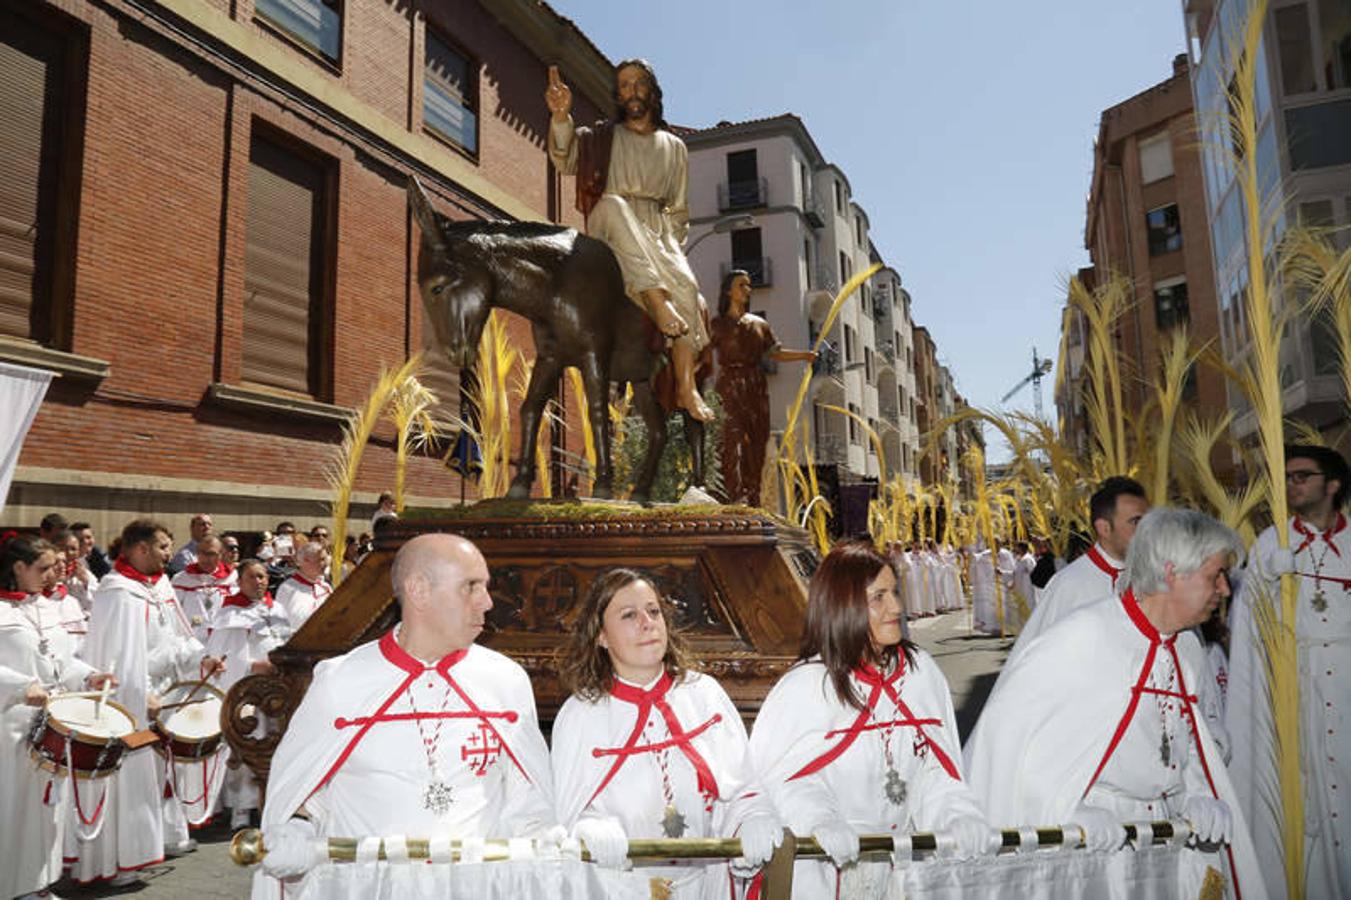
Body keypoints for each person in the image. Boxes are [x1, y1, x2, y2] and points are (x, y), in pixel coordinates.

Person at [963, 508, 1263, 899]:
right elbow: (1008, 743)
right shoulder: (1082, 637)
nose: (1224, 589)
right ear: (1172, 572)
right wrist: (1063, 808)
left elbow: (1185, 739)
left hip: (1165, 840)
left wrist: (1197, 792)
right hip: (1093, 850)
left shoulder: (1187, 646)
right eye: (1215, 575)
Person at [255, 533, 556, 897]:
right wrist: (297, 830)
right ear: (419, 590)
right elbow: (305, 793)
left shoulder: (505, 680)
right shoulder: (340, 681)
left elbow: (528, 796)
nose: (488, 602)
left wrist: (540, 838)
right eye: (471, 586)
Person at [750, 540, 993, 898]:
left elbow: (934, 772)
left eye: (894, 592)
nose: (896, 607)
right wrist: (818, 818)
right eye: (878, 597)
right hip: (829, 875)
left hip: (904, 873)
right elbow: (782, 781)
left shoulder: (921, 673)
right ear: (843, 605)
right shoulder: (806, 686)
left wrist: (956, 813)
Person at [551, 568, 781, 896]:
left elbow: (741, 789)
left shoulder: (704, 695)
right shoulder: (580, 715)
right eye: (629, 615)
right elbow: (567, 812)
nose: (647, 623)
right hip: (618, 888)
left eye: (654, 611)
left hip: (706, 886)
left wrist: (753, 818)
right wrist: (586, 827)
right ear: (600, 636)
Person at [545, 59, 714, 422]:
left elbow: (679, 209)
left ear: (652, 91)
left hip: (657, 233)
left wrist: (670, 247)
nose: (632, 91)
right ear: (618, 95)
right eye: (624, 85)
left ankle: (686, 386)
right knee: (614, 204)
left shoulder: (674, 146)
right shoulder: (603, 137)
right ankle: (656, 301)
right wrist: (560, 116)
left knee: (688, 288)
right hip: (609, 227)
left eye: (639, 83)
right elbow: (565, 159)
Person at [69, 519, 226, 885]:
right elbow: (116, 657)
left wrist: (201, 659)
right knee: (130, 778)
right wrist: (140, 695)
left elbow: (177, 635)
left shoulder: (160, 585)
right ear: (141, 549)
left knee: (161, 774)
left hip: (164, 692)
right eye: (163, 547)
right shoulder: (118, 591)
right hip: (133, 698)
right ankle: (120, 860)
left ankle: (161, 838)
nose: (169, 554)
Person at [1228, 445, 1351, 899]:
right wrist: (1263, 580)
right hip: (1297, 693)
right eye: (1287, 478)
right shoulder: (1270, 543)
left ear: (1332, 484)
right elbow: (1246, 623)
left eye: (1302, 476)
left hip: (1348, 687)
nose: (1292, 484)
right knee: (1305, 799)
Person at [1, 535, 116, 900]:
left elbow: (62, 662)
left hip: (51, 721)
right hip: (9, 724)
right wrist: (21, 686)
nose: (53, 574)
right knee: (13, 808)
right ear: (18, 567)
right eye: (44, 568)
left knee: (48, 810)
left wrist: (89, 676)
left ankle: (37, 884)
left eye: (54, 566)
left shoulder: (48, 608)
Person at [708, 270, 816, 505]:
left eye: (748, 285)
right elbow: (702, 353)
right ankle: (731, 494)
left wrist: (803, 355)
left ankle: (753, 495)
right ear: (728, 291)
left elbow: (775, 352)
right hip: (728, 385)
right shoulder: (717, 324)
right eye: (741, 285)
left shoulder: (760, 324)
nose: (748, 289)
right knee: (729, 440)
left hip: (756, 385)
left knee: (757, 441)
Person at [1012, 476, 1149, 648]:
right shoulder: (1068, 585)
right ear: (1104, 528)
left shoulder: (1155, 578)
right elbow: (1035, 653)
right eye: (1136, 522)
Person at [207, 559, 291, 829]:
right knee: (247, 748)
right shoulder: (230, 613)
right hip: (247, 691)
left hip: (277, 692)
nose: (259, 582)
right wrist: (253, 666)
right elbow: (221, 657)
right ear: (240, 581)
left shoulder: (277, 609)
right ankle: (241, 809)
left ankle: (268, 805)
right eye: (252, 577)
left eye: (263, 576)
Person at [171, 534, 238, 641]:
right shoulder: (181, 579)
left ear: (221, 555)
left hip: (223, 639)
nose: (206, 558)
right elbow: (173, 613)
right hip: (191, 639)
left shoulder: (232, 578)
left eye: (211, 554)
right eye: (202, 553)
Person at [274, 540, 332, 631]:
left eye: (325, 559)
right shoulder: (287, 588)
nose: (325, 564)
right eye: (320, 560)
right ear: (305, 561)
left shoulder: (326, 587)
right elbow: (279, 621)